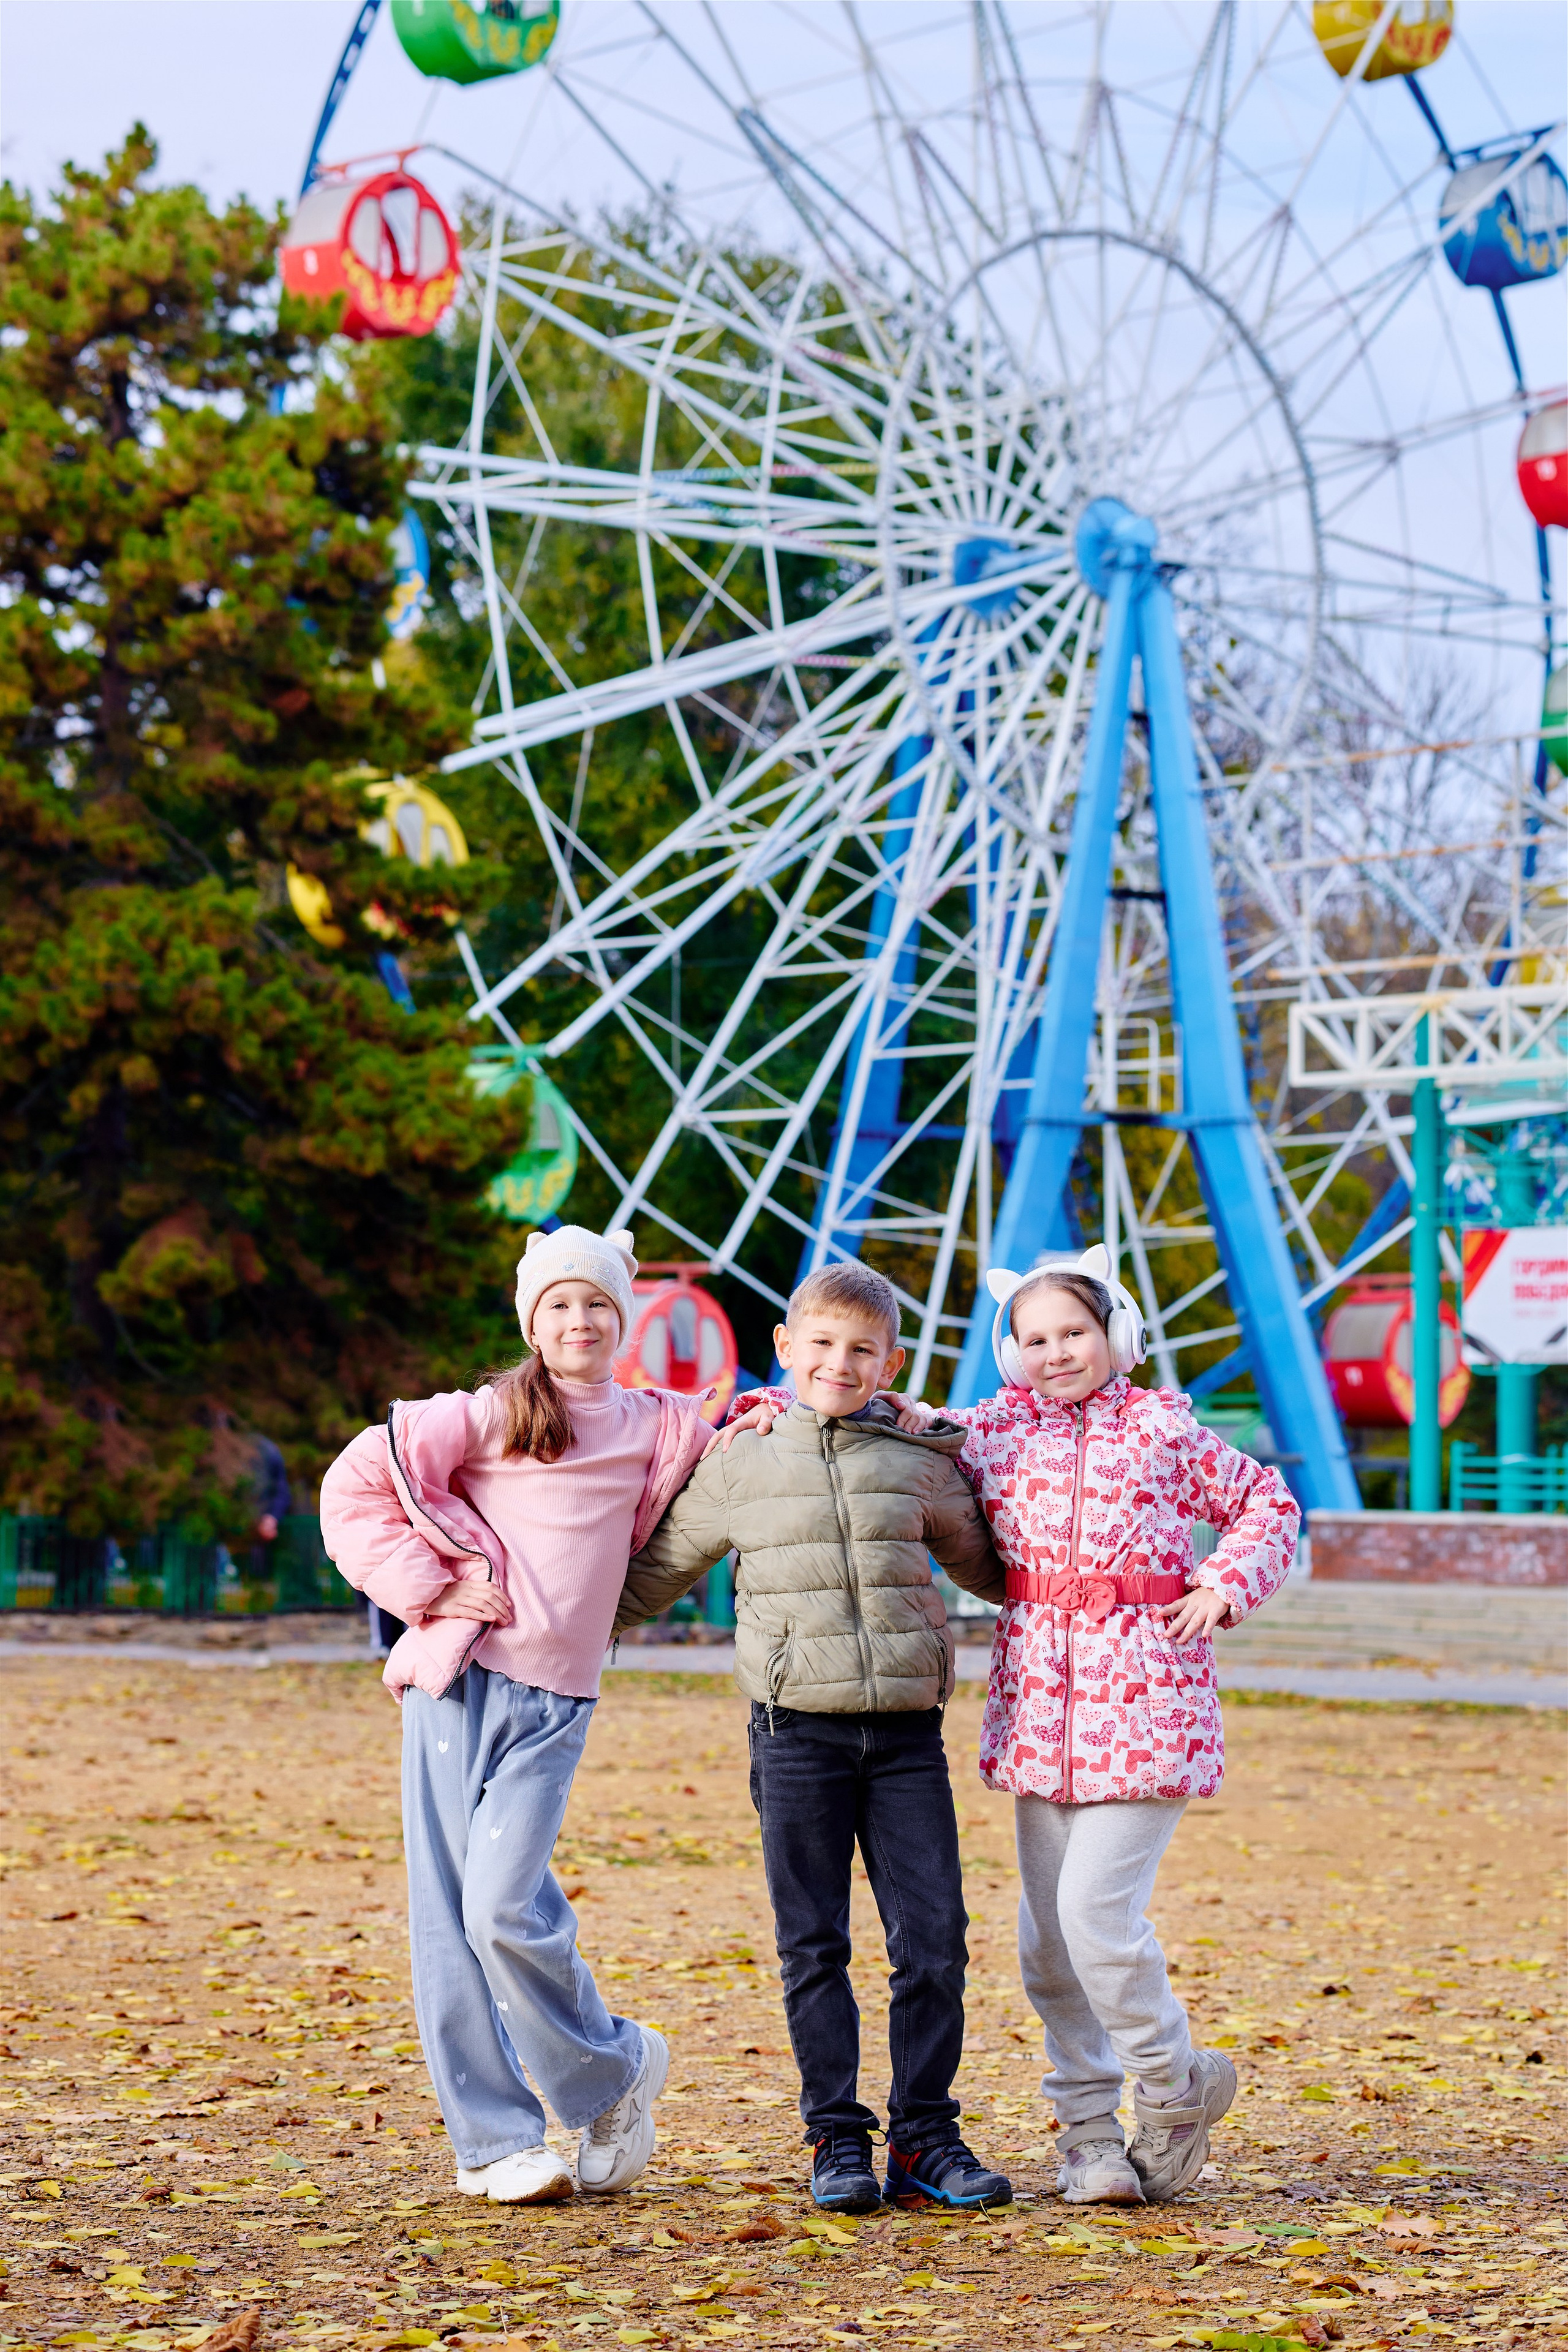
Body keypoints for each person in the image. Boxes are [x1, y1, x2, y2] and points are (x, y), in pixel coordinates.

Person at [883, 1246, 1301, 2205]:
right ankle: (1087, 2137)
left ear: (1114, 1334)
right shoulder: (992, 1434)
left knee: (1094, 1918)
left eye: (1074, 1331)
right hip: (1043, 1716)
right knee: (1046, 1947)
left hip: (1148, 1705)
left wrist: (1222, 1586)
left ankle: (1174, 2085)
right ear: (1009, 1349)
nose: (1056, 1352)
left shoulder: (1161, 1429)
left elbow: (1266, 1505)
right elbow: (901, 1427)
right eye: (1034, 1339)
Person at [319, 1226, 715, 2206]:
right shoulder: (491, 1412)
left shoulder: (660, 1427)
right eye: (559, 1305)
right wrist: (431, 1589)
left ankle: (610, 2068)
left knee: (502, 1907)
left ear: (623, 1317)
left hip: (558, 1700)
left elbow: (764, 1435)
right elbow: (355, 1485)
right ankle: (495, 2141)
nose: (579, 1320)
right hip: (460, 1683)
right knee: (449, 1921)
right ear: (531, 1321)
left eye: (597, 1303)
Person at [614, 1261, 1013, 2215]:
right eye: (822, 1345)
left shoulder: (920, 1461)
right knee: (813, 1945)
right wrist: (520, 1636)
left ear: (891, 1362)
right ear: (786, 1350)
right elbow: (648, 1576)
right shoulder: (740, 1459)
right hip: (794, 1735)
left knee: (936, 1941)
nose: (840, 1362)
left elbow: (1002, 1570)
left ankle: (924, 2138)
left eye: (862, 1350)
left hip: (909, 1738)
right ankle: (837, 2139)